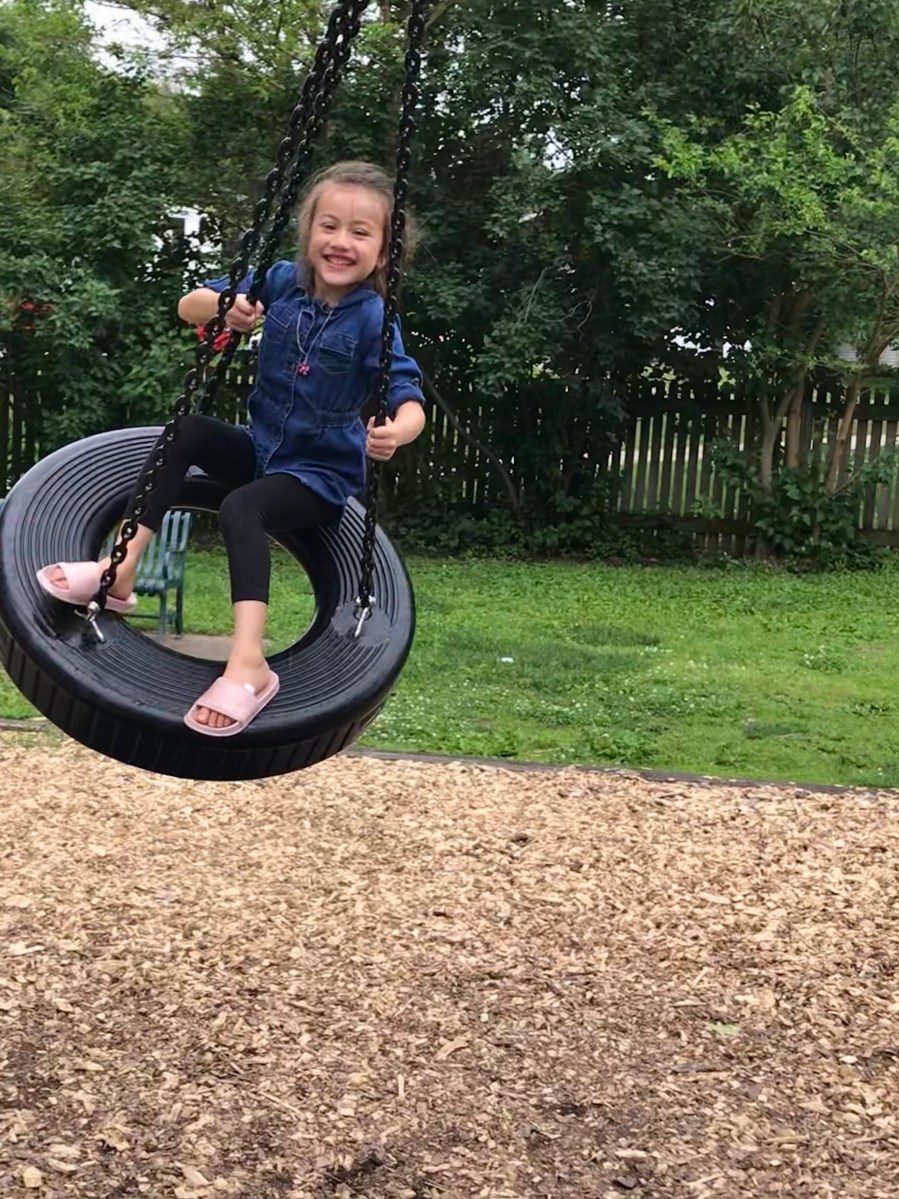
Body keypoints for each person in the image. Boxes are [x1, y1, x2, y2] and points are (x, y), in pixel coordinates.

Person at [36, 161, 427, 737]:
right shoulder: (280, 280)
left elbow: (408, 396)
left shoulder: (374, 320)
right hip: (262, 450)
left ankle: (248, 665)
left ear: (384, 251)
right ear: (308, 231)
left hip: (318, 477)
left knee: (242, 507)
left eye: (360, 232)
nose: (341, 241)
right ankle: (118, 572)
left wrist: (397, 431)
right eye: (328, 226)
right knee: (188, 431)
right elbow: (190, 304)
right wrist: (229, 310)